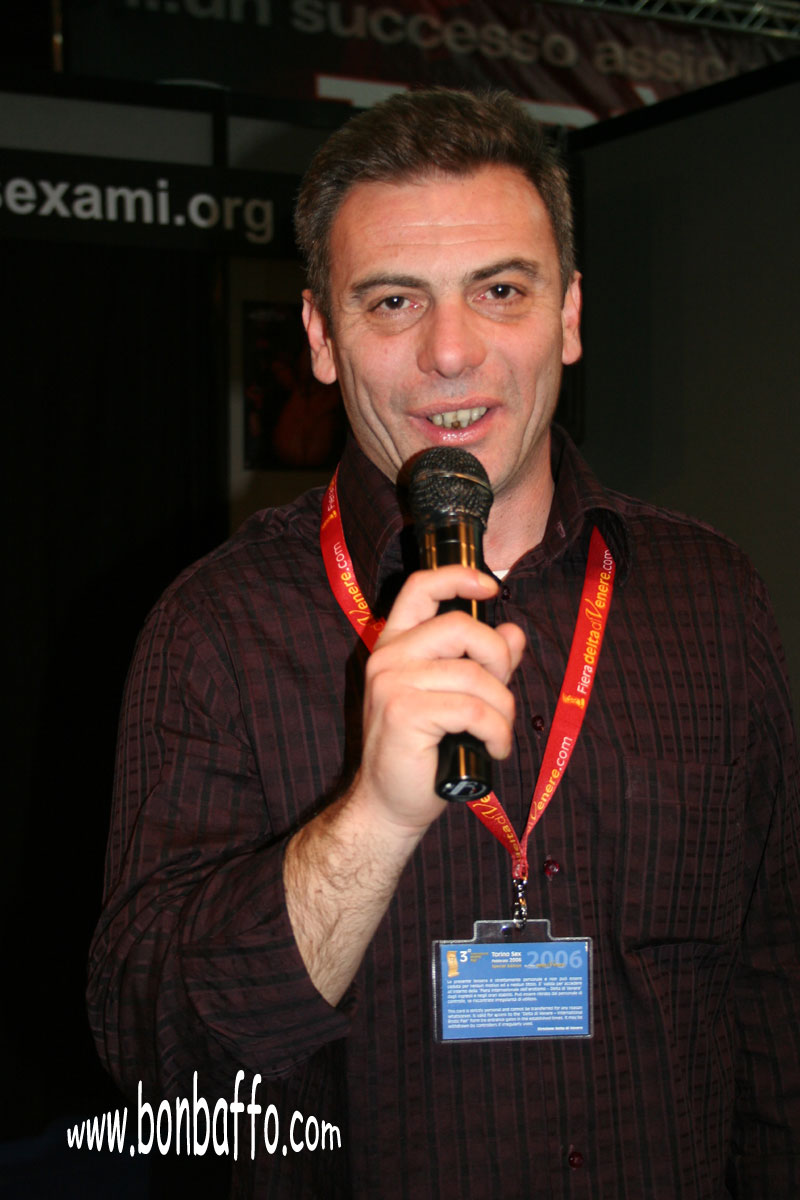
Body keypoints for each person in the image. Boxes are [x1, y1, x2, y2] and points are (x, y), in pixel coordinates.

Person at [88, 88, 800, 1198]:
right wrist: (371, 822)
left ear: (569, 313)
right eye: (392, 302)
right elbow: (153, 1056)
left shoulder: (711, 597)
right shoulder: (215, 629)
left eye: (499, 291)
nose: (451, 353)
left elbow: (774, 991)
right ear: (322, 339)